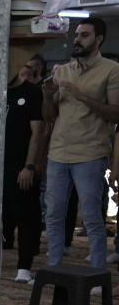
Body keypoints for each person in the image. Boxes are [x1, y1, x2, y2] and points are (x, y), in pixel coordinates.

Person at [42, 17, 119, 282]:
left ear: (98, 39)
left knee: (91, 219)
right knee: (53, 214)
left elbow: (115, 113)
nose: (77, 40)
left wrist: (80, 94)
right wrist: (46, 94)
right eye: (76, 35)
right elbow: (49, 115)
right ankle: (54, 269)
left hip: (90, 153)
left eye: (84, 35)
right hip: (58, 152)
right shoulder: (62, 70)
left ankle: (97, 274)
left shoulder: (111, 70)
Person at [3, 59, 46, 284]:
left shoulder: (31, 93)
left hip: (20, 165)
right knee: (3, 215)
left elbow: (37, 131)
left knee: (26, 216)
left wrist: (29, 166)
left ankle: (24, 266)